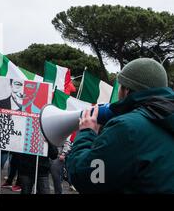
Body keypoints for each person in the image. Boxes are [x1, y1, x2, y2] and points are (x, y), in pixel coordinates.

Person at [66, 58, 174, 193]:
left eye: (120, 86)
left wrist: (87, 132)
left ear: (126, 90)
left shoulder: (127, 127)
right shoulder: (167, 120)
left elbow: (86, 178)